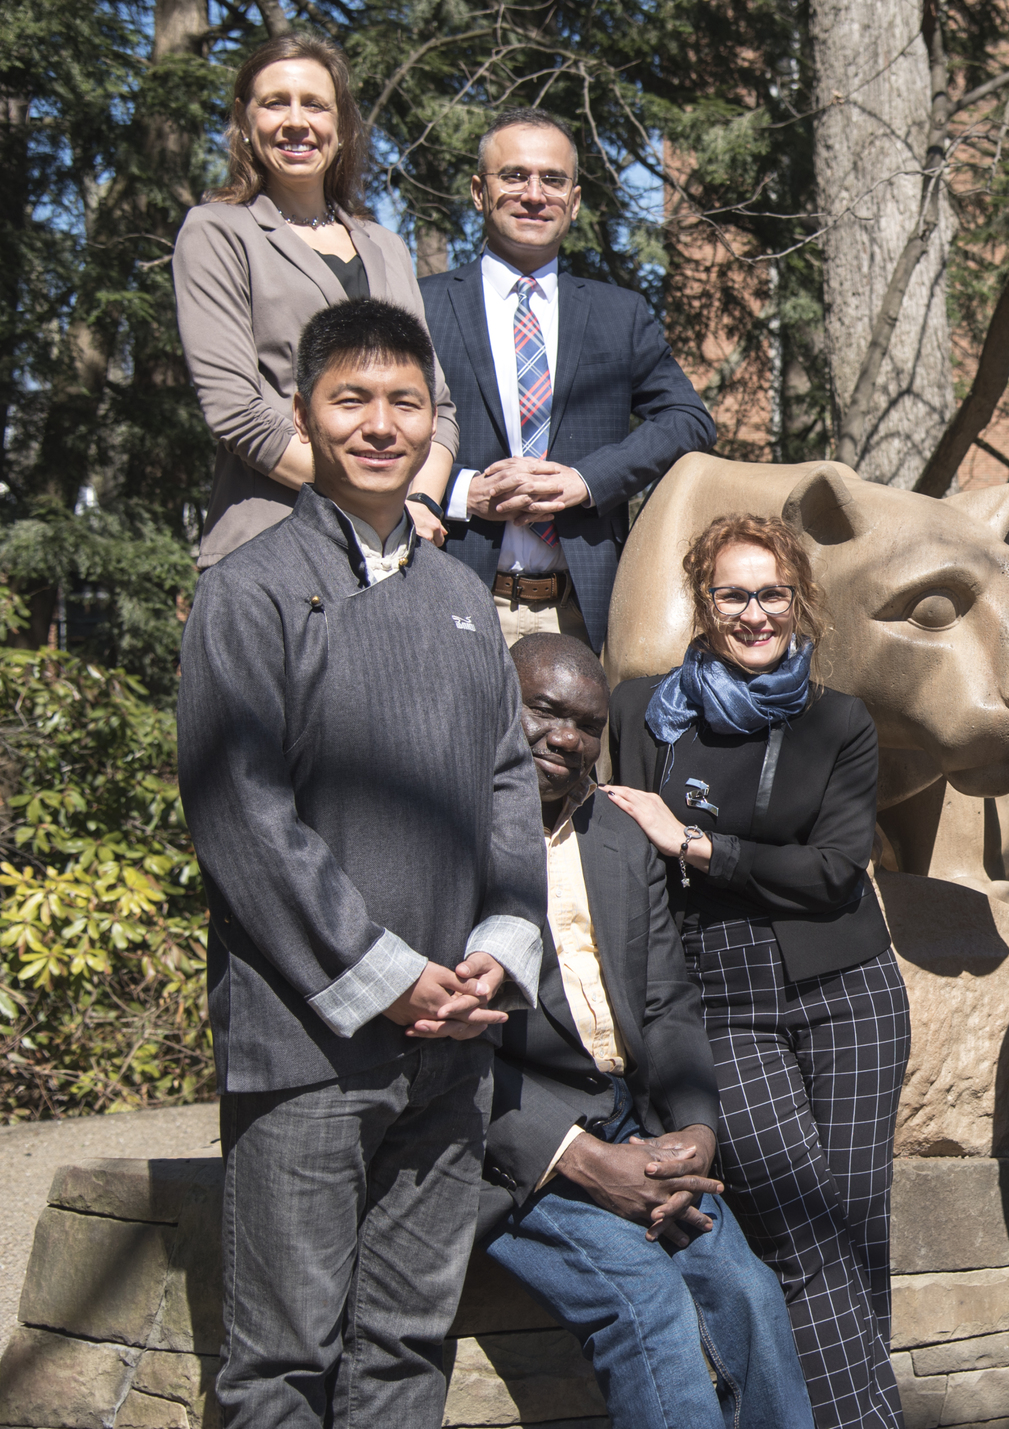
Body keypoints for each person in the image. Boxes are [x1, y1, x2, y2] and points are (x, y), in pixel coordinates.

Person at [177, 299, 545, 1427]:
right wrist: (386, 972)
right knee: (282, 1360)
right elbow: (240, 810)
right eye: (351, 400)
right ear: (304, 415)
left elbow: (506, 785)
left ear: (436, 422)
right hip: (308, 1042)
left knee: (404, 1347)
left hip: (454, 1048)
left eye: (404, 403)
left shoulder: (461, 603)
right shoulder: (250, 589)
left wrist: (496, 949)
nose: (379, 426)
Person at [602, 514, 910, 1428]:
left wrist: (693, 841)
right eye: (734, 594)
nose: (755, 613)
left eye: (772, 593)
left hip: (846, 988)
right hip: (719, 998)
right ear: (702, 601)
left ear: (799, 599)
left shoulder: (838, 720)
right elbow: (625, 865)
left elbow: (832, 872)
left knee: (855, 1226)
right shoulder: (642, 712)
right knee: (801, 1226)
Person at [477, 633, 809, 1428]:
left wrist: (695, 1128)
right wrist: (584, 1160)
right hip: (516, 1150)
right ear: (496, 702)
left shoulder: (617, 834)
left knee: (751, 1294)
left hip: (636, 1124)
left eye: (587, 723)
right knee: (647, 1306)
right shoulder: (445, 830)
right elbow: (444, 1048)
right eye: (546, 710)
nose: (567, 736)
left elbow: (667, 1003)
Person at [420, 108, 716, 652]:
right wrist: (465, 492)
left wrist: (587, 480)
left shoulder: (618, 313)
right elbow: (381, 437)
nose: (534, 194)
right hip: (451, 603)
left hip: (584, 613)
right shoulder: (420, 305)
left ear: (574, 202)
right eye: (513, 176)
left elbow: (688, 420)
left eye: (552, 180)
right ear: (478, 192)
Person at [174, 33, 458, 569]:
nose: (296, 121)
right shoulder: (218, 232)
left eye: (315, 104)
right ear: (244, 118)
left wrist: (417, 501)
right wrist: (373, 503)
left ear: (342, 125)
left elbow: (437, 406)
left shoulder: (387, 246)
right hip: (272, 547)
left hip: (396, 553)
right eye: (275, 102)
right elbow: (237, 412)